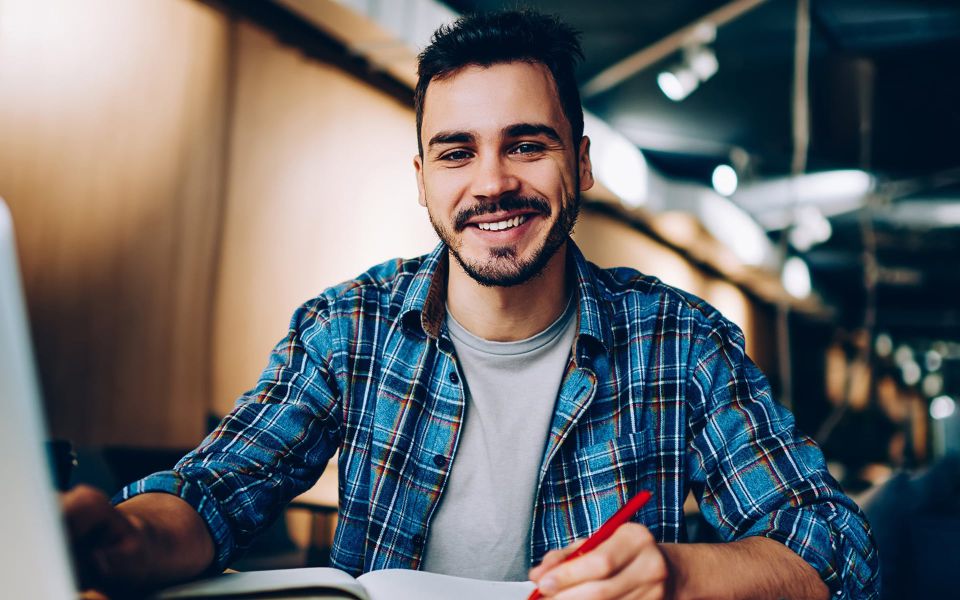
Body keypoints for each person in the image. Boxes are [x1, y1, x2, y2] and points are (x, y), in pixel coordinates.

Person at [64, 10, 879, 599]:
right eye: (458, 152)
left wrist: (680, 575)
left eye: (527, 143)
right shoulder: (347, 328)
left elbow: (839, 551)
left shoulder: (682, 341)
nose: (492, 182)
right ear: (422, 179)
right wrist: (126, 540)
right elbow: (215, 494)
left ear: (582, 164)